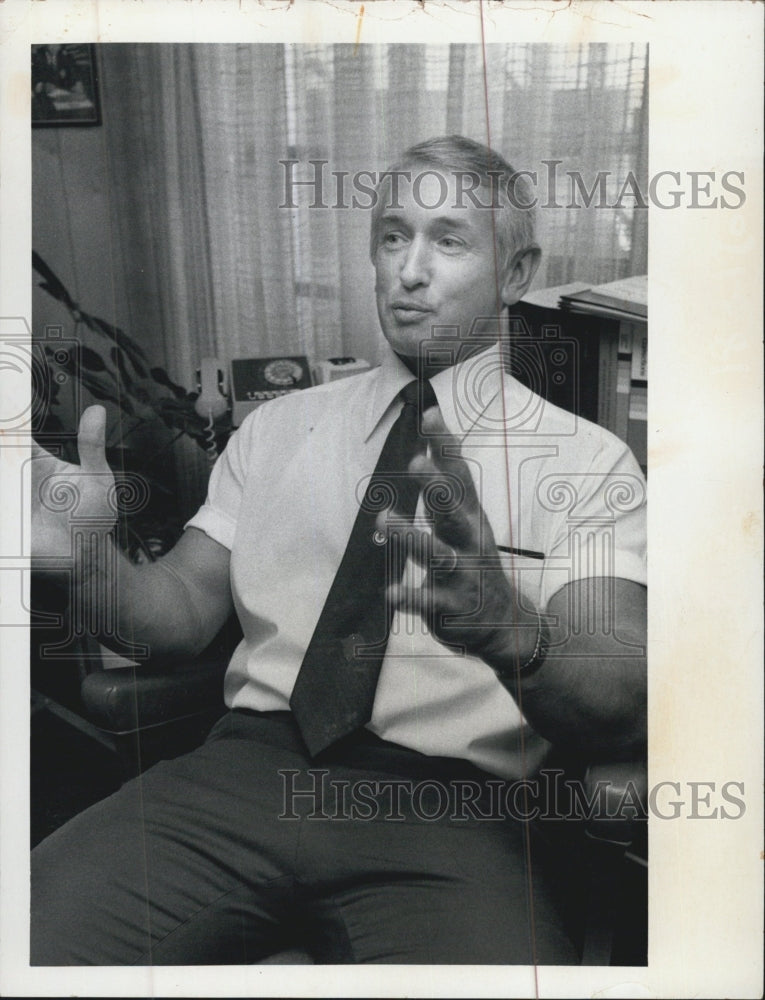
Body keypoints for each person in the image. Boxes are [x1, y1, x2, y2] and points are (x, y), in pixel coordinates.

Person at [30, 135, 646, 965]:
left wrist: (510, 631)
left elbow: (620, 700)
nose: (410, 269)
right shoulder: (278, 427)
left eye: (449, 239)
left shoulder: (585, 460)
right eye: (393, 236)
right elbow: (173, 620)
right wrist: (85, 560)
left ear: (514, 271)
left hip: (455, 813)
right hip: (240, 776)